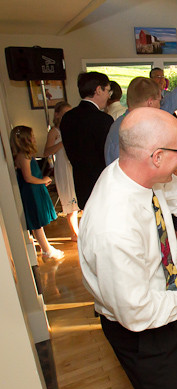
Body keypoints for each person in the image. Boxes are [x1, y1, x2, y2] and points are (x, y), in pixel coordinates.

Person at [79, 105, 177, 389]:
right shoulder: (113, 226)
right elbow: (137, 312)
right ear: (156, 156)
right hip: (142, 328)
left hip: (169, 297)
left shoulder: (140, 172)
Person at [105, 58, 177, 165]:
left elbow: (175, 98)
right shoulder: (122, 133)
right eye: (159, 101)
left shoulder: (145, 117)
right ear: (150, 102)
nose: (161, 106)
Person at [60, 71, 114, 210]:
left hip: (81, 184)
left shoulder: (67, 118)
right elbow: (109, 156)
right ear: (98, 90)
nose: (109, 95)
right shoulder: (103, 120)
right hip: (103, 187)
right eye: (108, 90)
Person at [10, 125, 63, 261]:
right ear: (25, 139)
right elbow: (28, 177)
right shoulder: (24, 156)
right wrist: (43, 180)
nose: (34, 139)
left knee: (37, 221)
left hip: (34, 189)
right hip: (31, 191)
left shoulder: (25, 155)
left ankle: (46, 247)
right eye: (32, 137)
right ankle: (46, 249)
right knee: (36, 221)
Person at [43, 101, 79, 241]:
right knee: (69, 201)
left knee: (76, 201)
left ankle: (76, 232)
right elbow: (46, 151)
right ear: (57, 114)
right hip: (62, 167)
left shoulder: (71, 128)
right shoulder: (54, 132)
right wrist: (62, 142)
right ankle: (74, 233)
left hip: (72, 166)